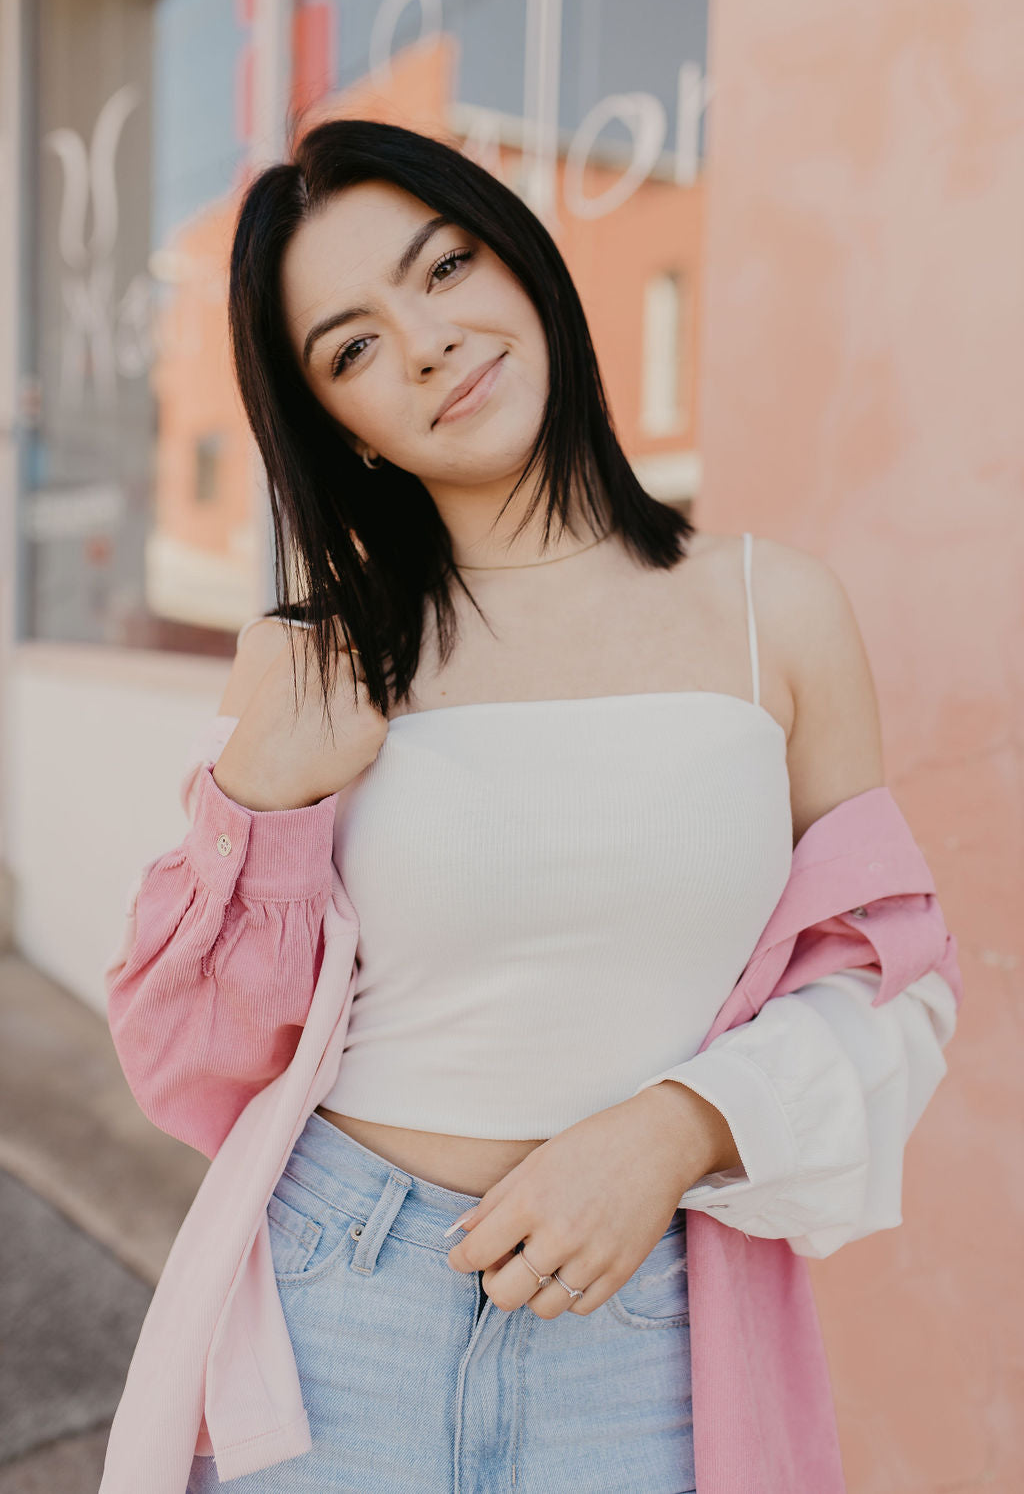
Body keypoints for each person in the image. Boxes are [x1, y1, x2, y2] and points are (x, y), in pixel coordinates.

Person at [106, 119, 960, 1493]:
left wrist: (680, 1125)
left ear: (525, 266)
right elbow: (183, 1058)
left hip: (643, 1334)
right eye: (354, 347)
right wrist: (257, 790)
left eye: (443, 268)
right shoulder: (328, 662)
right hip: (343, 1311)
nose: (428, 340)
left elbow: (895, 984)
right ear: (343, 428)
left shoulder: (771, 612)